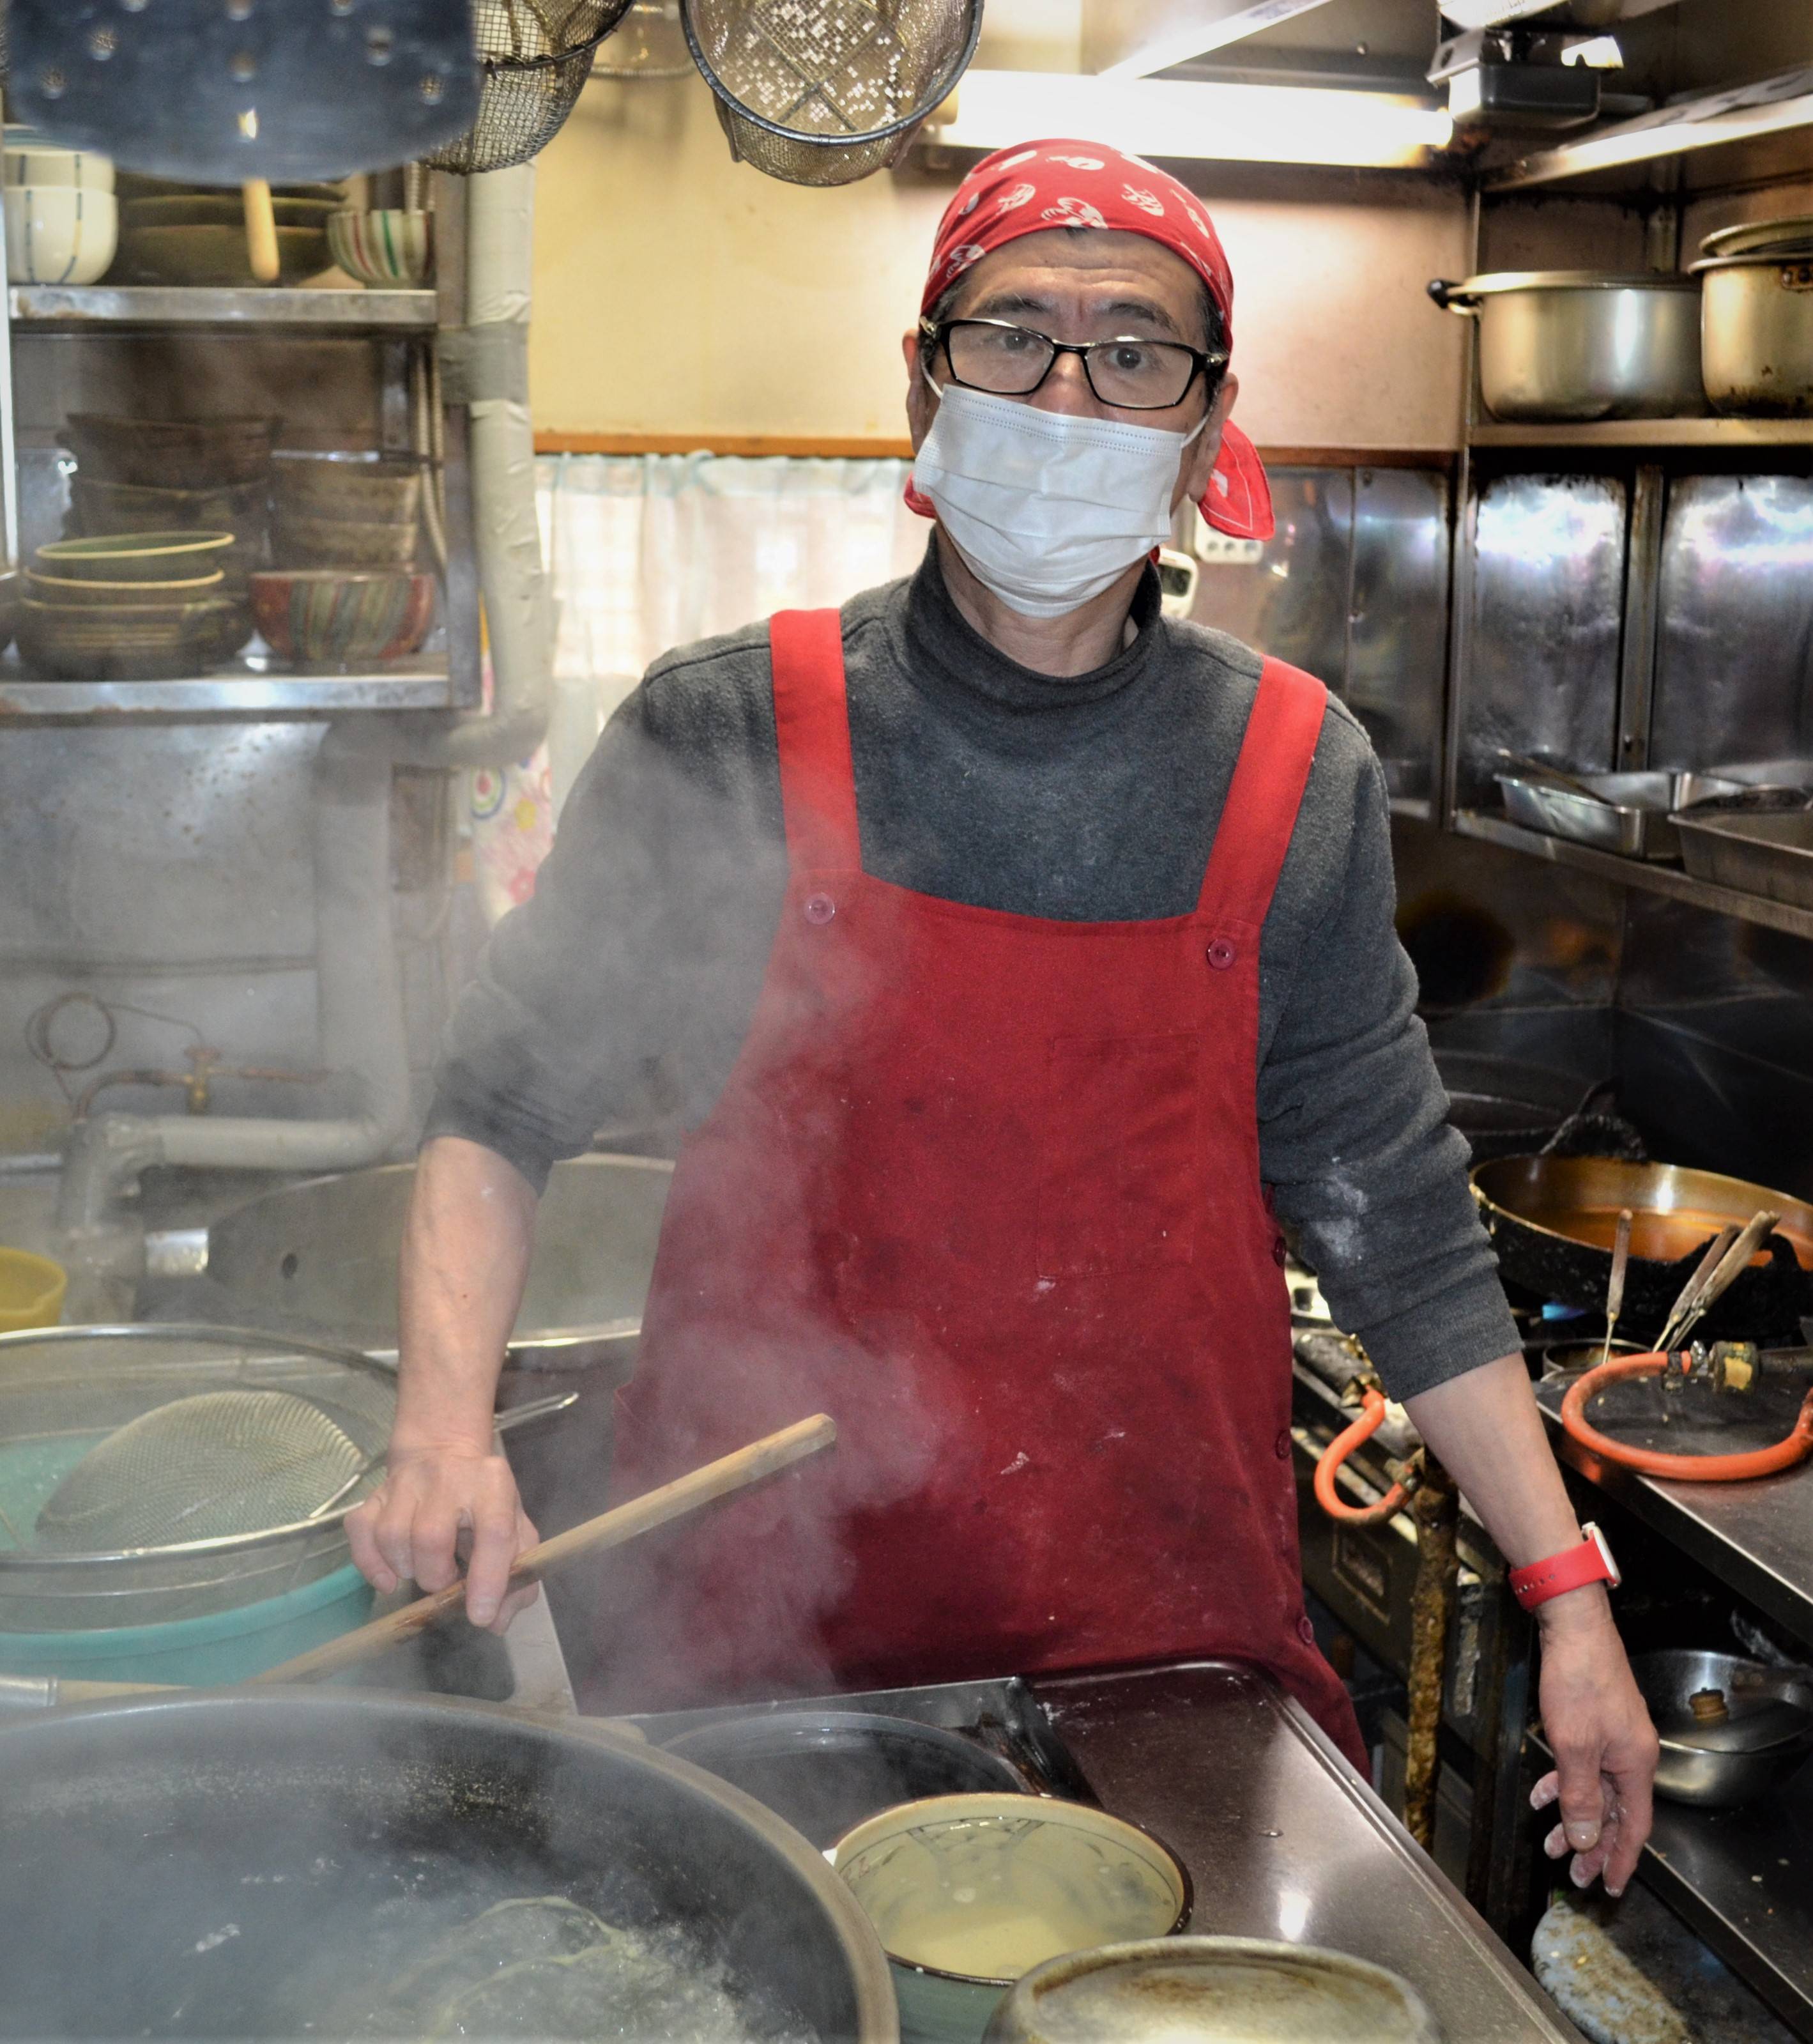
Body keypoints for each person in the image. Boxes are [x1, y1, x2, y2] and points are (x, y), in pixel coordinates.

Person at [349, 139, 1657, 1895]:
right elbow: (498, 1103)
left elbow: (1397, 1221)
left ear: (1202, 430)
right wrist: (441, 1434)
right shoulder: (729, 731)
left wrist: (1565, 1593)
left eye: (1135, 350)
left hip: (1155, 1658)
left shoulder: (1291, 775)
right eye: (1013, 333)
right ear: (921, 379)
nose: (1068, 389)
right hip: (760, 1649)